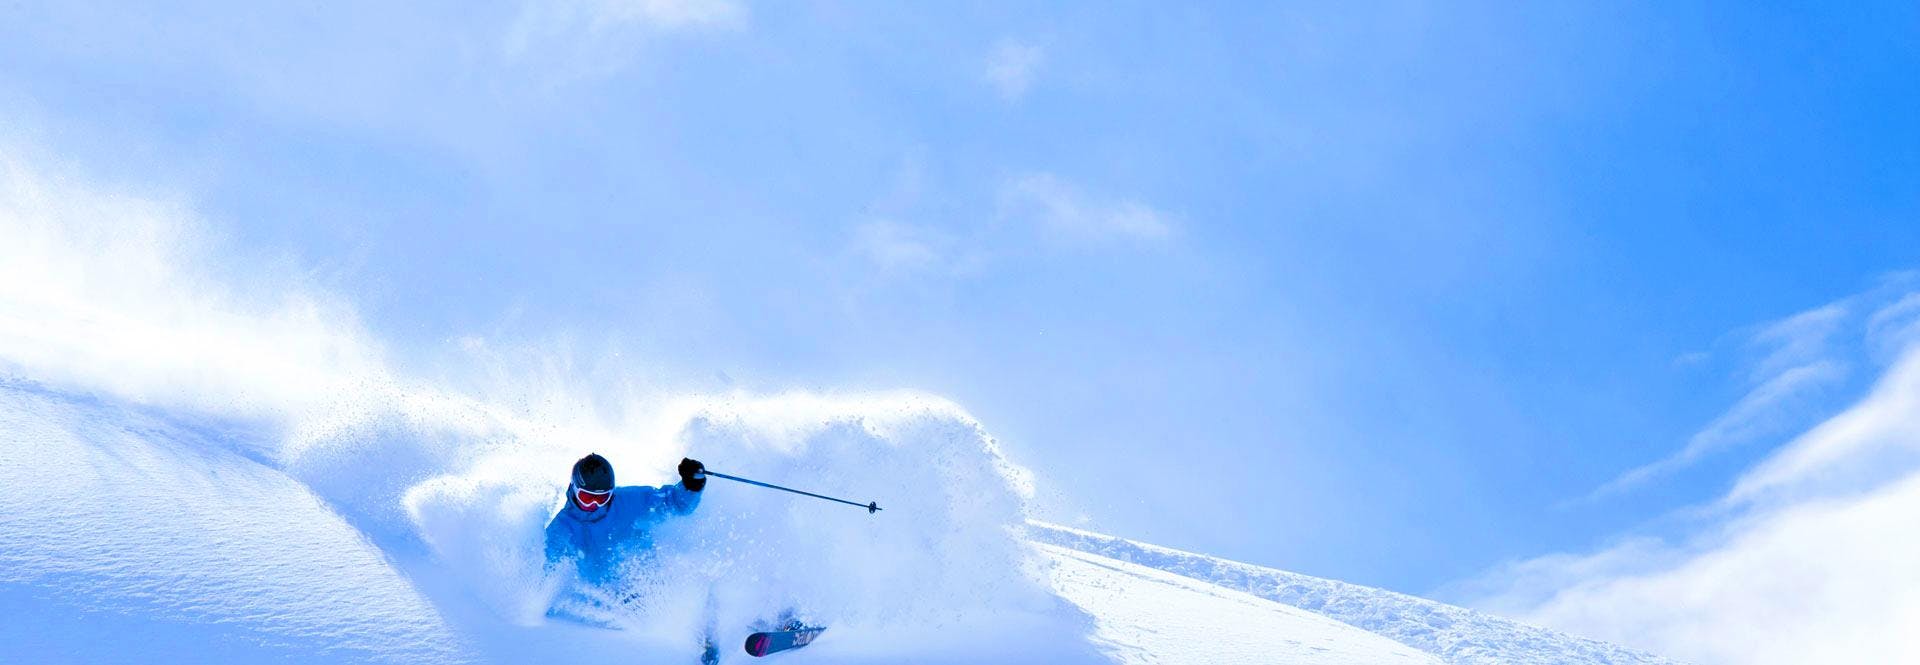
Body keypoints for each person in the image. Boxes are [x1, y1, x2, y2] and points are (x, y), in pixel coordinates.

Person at [544, 453, 707, 586]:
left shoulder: (628, 501)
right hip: (602, 606)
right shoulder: (561, 529)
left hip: (650, 589)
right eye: (586, 497)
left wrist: (692, 485)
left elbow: (676, 504)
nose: (594, 504)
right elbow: (543, 574)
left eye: (602, 498)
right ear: (574, 488)